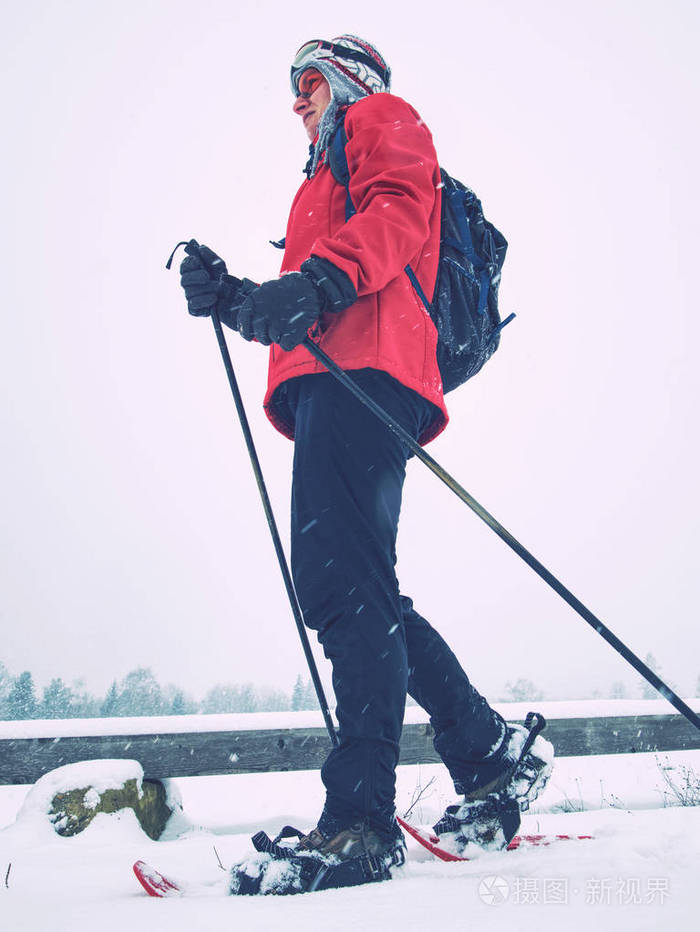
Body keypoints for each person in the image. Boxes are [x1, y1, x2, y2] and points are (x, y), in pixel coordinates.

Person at [180, 35, 553, 894]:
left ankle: (359, 820)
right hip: (341, 377)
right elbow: (309, 302)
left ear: (348, 81)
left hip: (368, 375)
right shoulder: (317, 178)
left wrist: (314, 285)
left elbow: (398, 216)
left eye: (308, 82)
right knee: (358, 586)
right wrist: (234, 295)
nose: (297, 101)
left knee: (343, 585)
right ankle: (487, 754)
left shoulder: (380, 118)